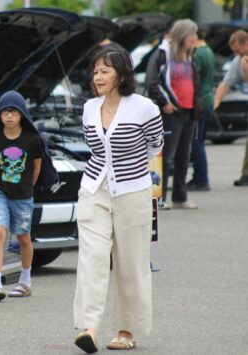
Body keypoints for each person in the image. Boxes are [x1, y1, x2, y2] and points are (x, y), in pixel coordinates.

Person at [73, 46, 163, 353]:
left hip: (132, 192)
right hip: (93, 188)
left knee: (130, 264)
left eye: (104, 71)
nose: (97, 77)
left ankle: (126, 331)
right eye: (95, 71)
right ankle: (90, 328)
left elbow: (155, 145)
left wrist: (130, 169)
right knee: (92, 258)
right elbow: (95, 150)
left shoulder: (145, 108)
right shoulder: (89, 107)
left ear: (122, 74)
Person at [0, 90, 59, 302]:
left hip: (23, 195)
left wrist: (28, 186)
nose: (9, 116)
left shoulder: (32, 139)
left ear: (22, 115)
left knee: (23, 238)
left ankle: (25, 281)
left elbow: (37, 167)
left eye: (14, 112)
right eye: (5, 112)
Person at [145, 19, 200, 209]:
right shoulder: (163, 53)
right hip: (171, 113)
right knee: (166, 157)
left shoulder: (191, 56)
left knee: (184, 157)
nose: (196, 38)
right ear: (183, 35)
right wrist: (165, 103)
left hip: (189, 111)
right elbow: (152, 81)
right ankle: (160, 198)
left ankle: (180, 197)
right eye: (193, 34)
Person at [213, 29, 248, 187]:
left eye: (237, 50)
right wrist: (217, 102)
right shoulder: (239, 60)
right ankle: (246, 175)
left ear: (246, 44)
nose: (235, 54)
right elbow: (225, 83)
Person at [188, 27, 215, 191]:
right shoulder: (209, 51)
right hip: (208, 99)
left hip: (200, 102)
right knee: (200, 140)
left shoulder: (198, 54)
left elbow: (193, 80)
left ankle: (201, 178)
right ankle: (200, 176)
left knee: (196, 141)